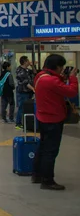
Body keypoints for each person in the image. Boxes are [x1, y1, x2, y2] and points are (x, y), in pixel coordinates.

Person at [32, 54, 78, 190]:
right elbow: (72, 92)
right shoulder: (51, 81)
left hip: (42, 117)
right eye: (61, 67)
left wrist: (62, 77)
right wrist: (73, 78)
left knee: (43, 147)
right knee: (51, 151)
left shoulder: (40, 76)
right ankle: (47, 180)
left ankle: (37, 174)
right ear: (57, 66)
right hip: (53, 118)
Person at [15, 56, 35, 129]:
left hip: (29, 92)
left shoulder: (27, 70)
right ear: (24, 62)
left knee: (28, 108)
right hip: (23, 92)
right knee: (22, 107)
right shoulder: (20, 71)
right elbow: (25, 83)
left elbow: (35, 73)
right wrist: (33, 89)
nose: (29, 62)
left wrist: (32, 66)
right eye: (27, 61)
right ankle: (18, 123)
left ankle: (27, 123)